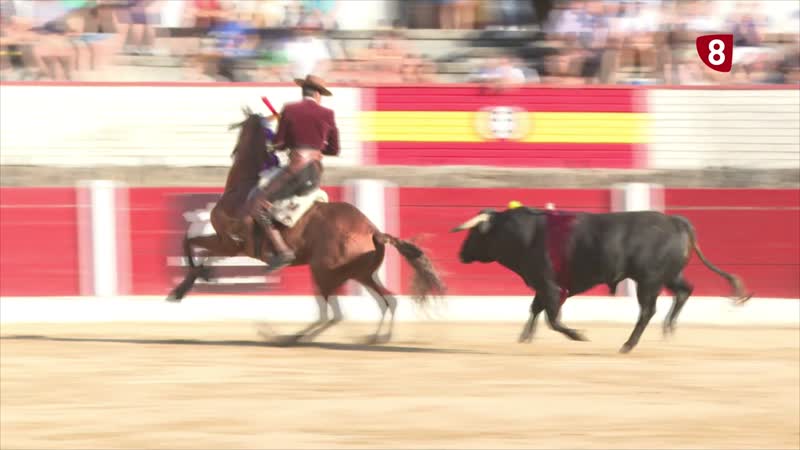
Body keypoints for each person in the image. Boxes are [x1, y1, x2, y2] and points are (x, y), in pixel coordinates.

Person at [249, 74, 339, 271]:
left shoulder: (290, 109)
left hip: (295, 171)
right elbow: (334, 149)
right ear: (317, 94)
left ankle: (282, 250)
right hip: (315, 172)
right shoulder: (328, 114)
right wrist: (316, 147)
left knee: (256, 204)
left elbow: (279, 144)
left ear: (304, 91)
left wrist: (290, 139)